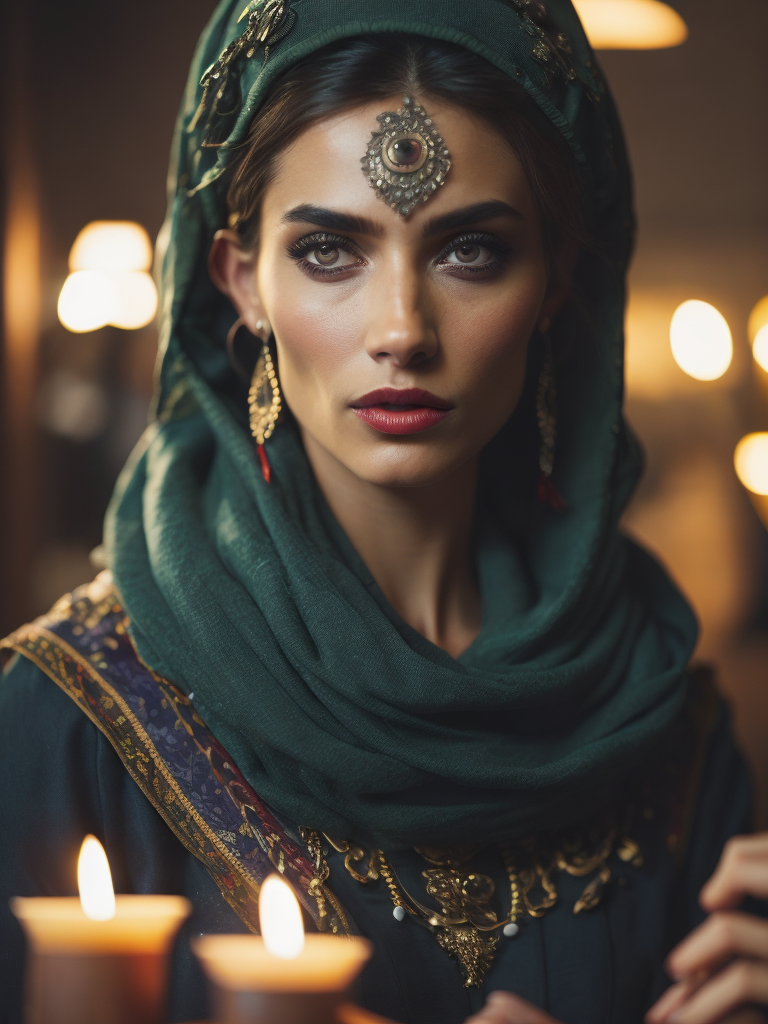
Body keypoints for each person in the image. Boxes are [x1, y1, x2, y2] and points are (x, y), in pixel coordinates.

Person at [0, 1, 765, 1022]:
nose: (402, 329)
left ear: (556, 284)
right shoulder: (65, 721)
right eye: (329, 251)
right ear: (242, 283)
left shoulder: (669, 731)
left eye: (471, 251)